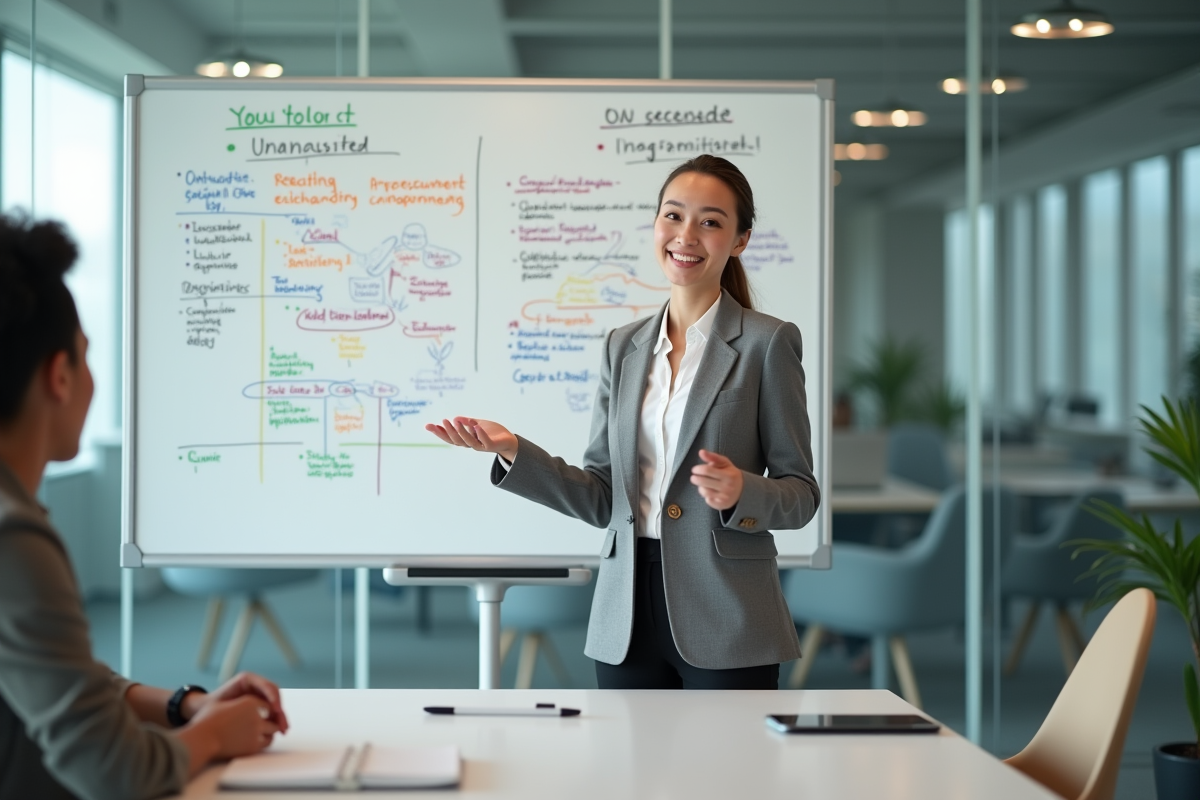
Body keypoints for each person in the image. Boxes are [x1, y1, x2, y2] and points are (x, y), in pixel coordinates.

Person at [427, 155, 820, 689]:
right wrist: (515, 450)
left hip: (729, 615)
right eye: (673, 216)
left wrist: (741, 493)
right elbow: (601, 495)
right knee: (627, 771)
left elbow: (801, 494)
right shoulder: (623, 347)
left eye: (710, 221)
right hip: (625, 616)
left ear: (741, 240)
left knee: (729, 773)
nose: (686, 235)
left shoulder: (767, 343)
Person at [0, 215, 288, 800]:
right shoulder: (13, 539)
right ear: (60, 374)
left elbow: (57, 675)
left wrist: (183, 705)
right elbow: (118, 773)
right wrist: (210, 736)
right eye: (86, 357)